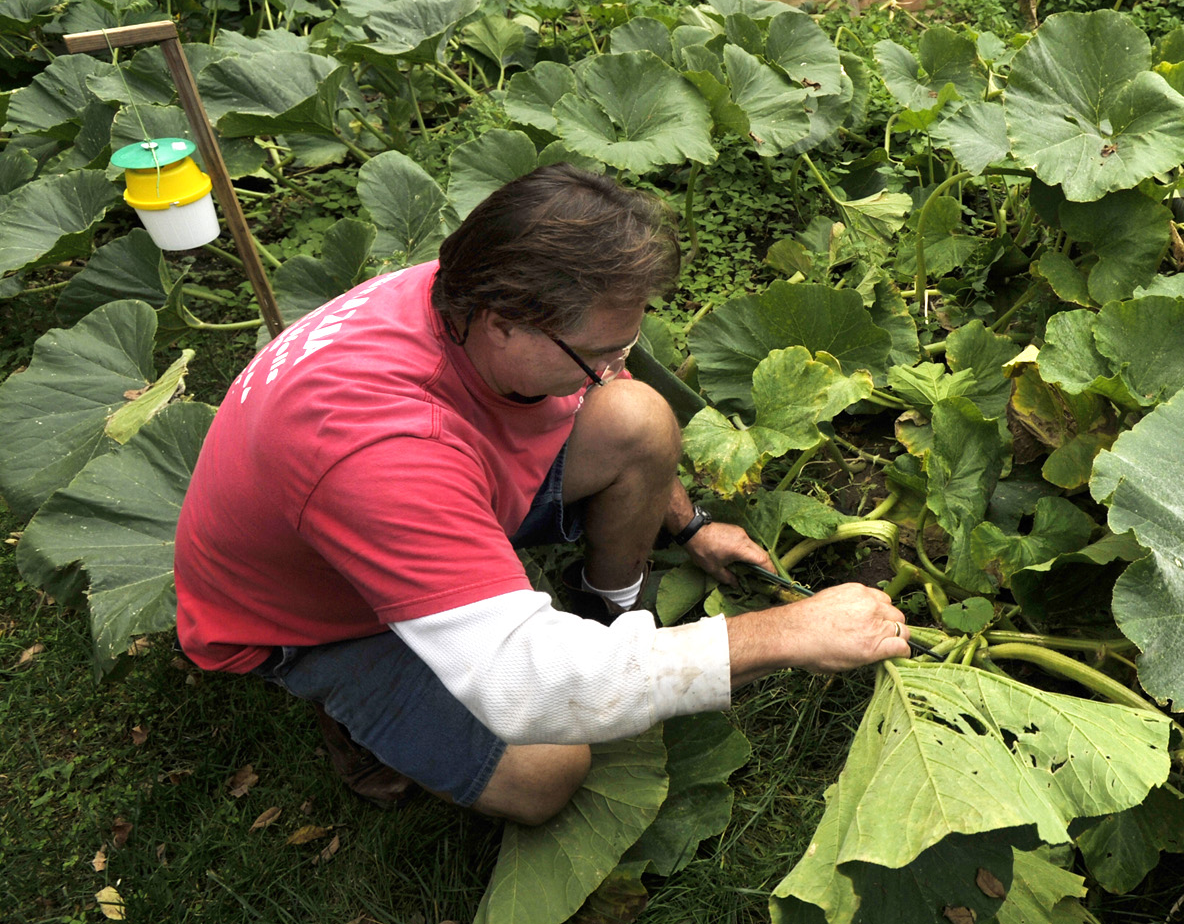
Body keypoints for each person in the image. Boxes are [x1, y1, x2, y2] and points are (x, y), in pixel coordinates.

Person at [173, 165, 910, 823]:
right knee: (548, 768)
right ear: (502, 323)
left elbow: (606, 394)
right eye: (596, 355)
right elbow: (530, 691)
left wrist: (688, 524)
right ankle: (355, 707)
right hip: (322, 610)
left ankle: (604, 611)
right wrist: (788, 632)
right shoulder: (379, 445)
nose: (612, 366)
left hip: (445, 488)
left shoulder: (473, 292)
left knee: (640, 420)